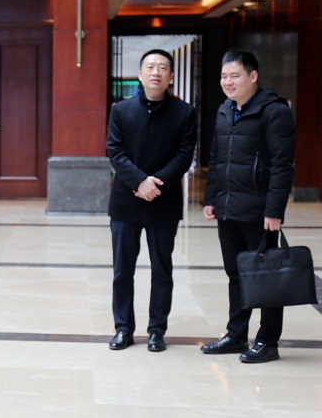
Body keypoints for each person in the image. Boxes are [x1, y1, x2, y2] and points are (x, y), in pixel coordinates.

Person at [201, 49, 295, 364]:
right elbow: (216, 159)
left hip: (259, 211)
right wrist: (211, 198)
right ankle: (236, 335)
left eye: (235, 75)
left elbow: (282, 165)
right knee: (235, 274)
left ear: (253, 77)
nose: (228, 82)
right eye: (224, 76)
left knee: (266, 277)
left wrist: (274, 210)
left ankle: (268, 341)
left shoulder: (274, 111)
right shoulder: (225, 110)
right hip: (228, 208)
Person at [106, 49, 197, 352]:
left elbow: (184, 155)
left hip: (163, 202)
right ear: (140, 74)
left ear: (171, 76)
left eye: (162, 67)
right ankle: (123, 328)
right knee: (122, 271)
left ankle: (157, 330)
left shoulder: (184, 113)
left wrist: (155, 184)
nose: (156, 72)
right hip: (126, 203)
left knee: (162, 269)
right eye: (150, 67)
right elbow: (115, 151)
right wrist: (139, 182)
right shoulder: (121, 111)